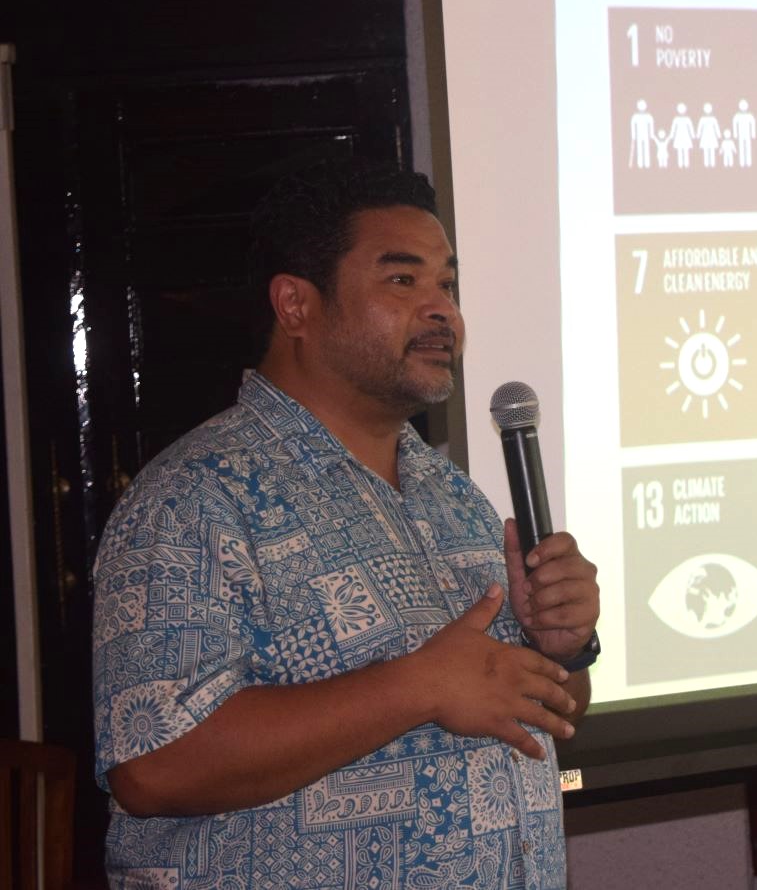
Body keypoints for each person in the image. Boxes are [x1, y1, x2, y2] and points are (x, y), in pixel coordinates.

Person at [90, 159, 600, 888]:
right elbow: (154, 765)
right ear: (297, 306)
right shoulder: (193, 498)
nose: (441, 311)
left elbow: (538, 710)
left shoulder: (454, 497)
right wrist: (416, 686)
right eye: (403, 281)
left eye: (447, 285)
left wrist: (564, 652)